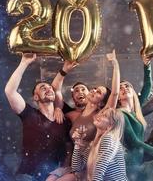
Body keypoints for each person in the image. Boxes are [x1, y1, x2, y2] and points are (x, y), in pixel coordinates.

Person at [46, 50, 120, 181]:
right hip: (76, 161)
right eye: (76, 90)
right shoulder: (71, 114)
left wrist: (114, 64)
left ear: (102, 101)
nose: (93, 90)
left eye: (98, 92)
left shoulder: (101, 115)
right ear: (73, 97)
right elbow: (55, 89)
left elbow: (114, 93)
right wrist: (57, 107)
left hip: (93, 162)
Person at [4, 54, 72, 181]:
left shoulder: (63, 120)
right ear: (36, 97)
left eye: (50, 88)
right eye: (43, 88)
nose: (48, 89)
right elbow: (10, 91)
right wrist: (24, 63)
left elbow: (69, 147)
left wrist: (63, 169)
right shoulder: (29, 114)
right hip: (27, 176)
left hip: (53, 176)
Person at [117, 57, 153, 181]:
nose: (124, 88)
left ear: (133, 92)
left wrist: (147, 64)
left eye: (127, 86)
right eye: (120, 88)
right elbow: (134, 142)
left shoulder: (134, 111)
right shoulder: (120, 114)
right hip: (129, 162)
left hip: (138, 159)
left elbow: (147, 87)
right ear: (117, 97)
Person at [71, 108, 127, 181]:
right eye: (101, 113)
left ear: (111, 124)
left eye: (105, 116)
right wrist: (77, 144)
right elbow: (76, 168)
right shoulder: (94, 144)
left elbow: (100, 168)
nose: (99, 116)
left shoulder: (109, 138)